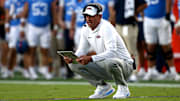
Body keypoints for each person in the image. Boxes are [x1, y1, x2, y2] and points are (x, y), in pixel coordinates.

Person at [63, 3, 134, 99]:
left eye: (91, 16)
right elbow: (82, 50)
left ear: (99, 16)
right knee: (74, 64)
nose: (88, 18)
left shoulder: (106, 27)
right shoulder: (85, 28)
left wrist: (91, 58)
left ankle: (123, 87)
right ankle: (103, 87)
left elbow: (112, 52)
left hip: (125, 66)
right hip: (106, 65)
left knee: (111, 62)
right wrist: (72, 57)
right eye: (86, 15)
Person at [143, 0, 180, 81]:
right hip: (148, 18)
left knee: (166, 46)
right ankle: (150, 71)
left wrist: (167, 14)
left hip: (162, 18)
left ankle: (173, 71)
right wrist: (143, 15)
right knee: (150, 46)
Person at [20, 0, 58, 80]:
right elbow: (24, 13)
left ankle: (44, 69)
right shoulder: (30, 1)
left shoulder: (49, 1)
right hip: (32, 27)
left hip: (45, 26)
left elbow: (54, 13)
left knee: (45, 50)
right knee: (32, 50)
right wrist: (22, 29)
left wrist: (55, 26)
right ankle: (32, 70)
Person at [113, 0, 147, 82]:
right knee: (120, 51)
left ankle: (134, 73)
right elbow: (116, 8)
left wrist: (135, 12)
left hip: (129, 25)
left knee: (132, 51)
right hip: (119, 25)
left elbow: (144, 4)